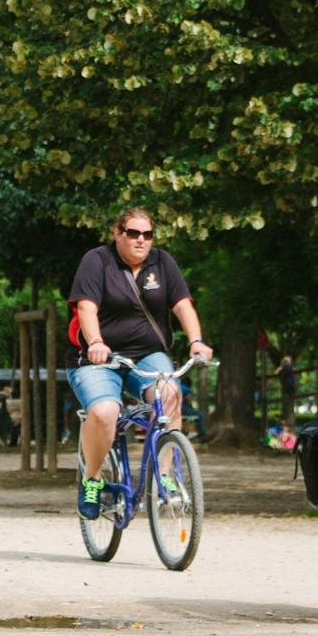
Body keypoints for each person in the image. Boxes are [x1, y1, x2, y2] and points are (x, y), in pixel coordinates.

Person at [65, 210, 214, 520]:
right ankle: (92, 479)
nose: (141, 240)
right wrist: (95, 343)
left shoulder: (162, 263)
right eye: (133, 233)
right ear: (117, 233)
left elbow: (182, 304)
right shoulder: (97, 261)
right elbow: (86, 308)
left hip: (147, 354)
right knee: (105, 412)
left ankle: (166, 477)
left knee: (170, 394)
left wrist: (196, 341)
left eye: (147, 235)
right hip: (99, 358)